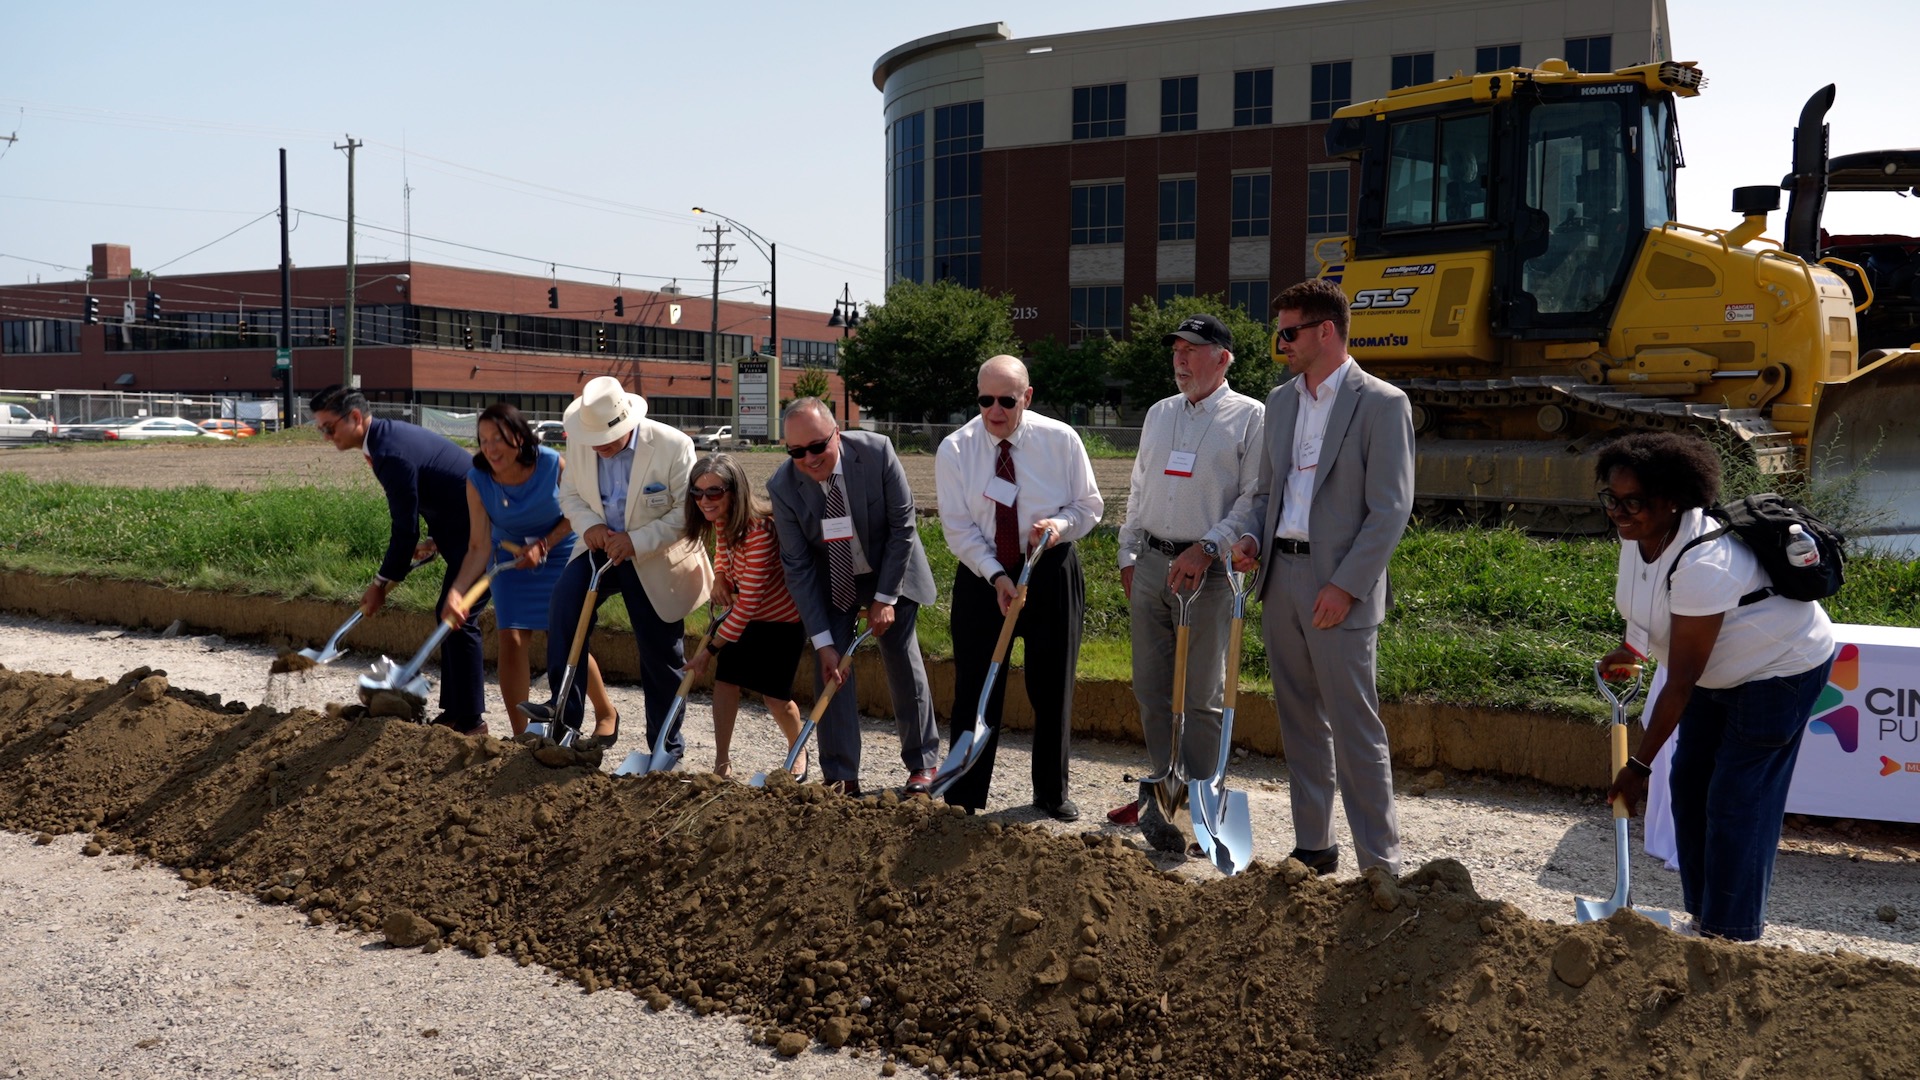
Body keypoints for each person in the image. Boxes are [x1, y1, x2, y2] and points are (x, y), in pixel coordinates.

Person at [1596, 431, 1835, 942]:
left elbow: (1679, 683)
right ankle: (1705, 919)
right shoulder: (1639, 536)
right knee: (1688, 785)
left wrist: (1638, 767)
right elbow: (1644, 599)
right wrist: (1633, 648)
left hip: (1779, 669)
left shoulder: (1706, 561)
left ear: (1672, 500)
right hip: (1717, 672)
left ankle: (1734, 937)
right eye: (1611, 499)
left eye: (1632, 502)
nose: (1619, 511)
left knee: (1736, 799)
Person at [1232, 279, 1414, 876]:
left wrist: (1346, 586)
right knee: (1299, 719)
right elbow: (1268, 492)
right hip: (1280, 576)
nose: (1279, 342)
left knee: (1355, 724)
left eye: (1288, 332)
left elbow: (1390, 508)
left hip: (1339, 587)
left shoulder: (1383, 403)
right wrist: (1254, 539)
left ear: (1325, 332)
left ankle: (1378, 862)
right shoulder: (1280, 402)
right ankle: (1314, 845)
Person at [1110, 313, 1265, 853]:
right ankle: (1162, 790)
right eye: (1176, 349)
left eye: (1192, 349)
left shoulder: (1249, 417)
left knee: (1200, 696)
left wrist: (1208, 546)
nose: (1180, 358)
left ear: (1222, 358)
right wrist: (1128, 550)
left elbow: (1253, 499)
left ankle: (1204, 806)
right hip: (1152, 562)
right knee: (1151, 690)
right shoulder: (1158, 413)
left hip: (1210, 574)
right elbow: (1139, 484)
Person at [935, 356, 1104, 820]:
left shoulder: (1061, 440)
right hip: (983, 577)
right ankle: (962, 793)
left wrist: (1060, 524)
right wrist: (996, 575)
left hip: (1048, 569)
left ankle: (1051, 792)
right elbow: (957, 527)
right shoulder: (955, 449)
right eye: (985, 400)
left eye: (1006, 401)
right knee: (974, 685)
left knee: (1052, 683)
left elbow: (1089, 505)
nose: (994, 411)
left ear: (1026, 397)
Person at [766, 398, 941, 796]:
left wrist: (884, 599)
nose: (808, 459)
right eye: (796, 452)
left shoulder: (877, 452)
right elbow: (798, 567)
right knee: (830, 669)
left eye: (816, 446)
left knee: (900, 655)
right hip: (834, 579)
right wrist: (824, 642)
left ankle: (922, 764)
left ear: (836, 434)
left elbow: (903, 526)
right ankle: (841, 775)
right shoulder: (783, 486)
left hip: (890, 568)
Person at [543, 376, 711, 758]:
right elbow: (569, 495)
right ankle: (563, 724)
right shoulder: (583, 440)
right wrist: (592, 527)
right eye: (594, 439)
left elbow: (686, 514)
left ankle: (665, 746)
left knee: (659, 649)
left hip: (654, 555)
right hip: (599, 548)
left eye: (608, 438)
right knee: (564, 611)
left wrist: (635, 541)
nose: (599, 447)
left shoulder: (673, 446)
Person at [310, 384, 489, 735]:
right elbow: (441, 491)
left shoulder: (390, 452)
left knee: (459, 618)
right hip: (462, 529)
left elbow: (403, 529)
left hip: (488, 530)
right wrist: (436, 539)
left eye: (328, 428)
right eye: (321, 429)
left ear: (356, 418)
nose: (325, 436)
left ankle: (472, 721)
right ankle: (457, 714)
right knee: (448, 615)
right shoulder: (384, 441)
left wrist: (380, 585)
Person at [442, 402, 615, 738]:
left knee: (565, 638)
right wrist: (456, 591)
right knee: (512, 638)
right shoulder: (477, 480)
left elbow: (577, 513)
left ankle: (606, 713)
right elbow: (478, 547)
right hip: (509, 559)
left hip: (560, 550)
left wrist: (544, 544)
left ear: (520, 438)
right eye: (484, 440)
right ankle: (522, 733)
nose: (491, 448)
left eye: (499, 438)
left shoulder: (551, 464)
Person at [681, 452, 808, 780]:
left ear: (735, 492)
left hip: (782, 622)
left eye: (714, 492)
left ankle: (798, 749)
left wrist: (708, 652)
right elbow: (723, 552)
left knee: (775, 697)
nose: (704, 500)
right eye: (697, 492)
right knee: (725, 683)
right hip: (744, 619)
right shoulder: (722, 520)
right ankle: (722, 762)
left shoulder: (760, 532)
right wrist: (720, 576)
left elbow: (749, 603)